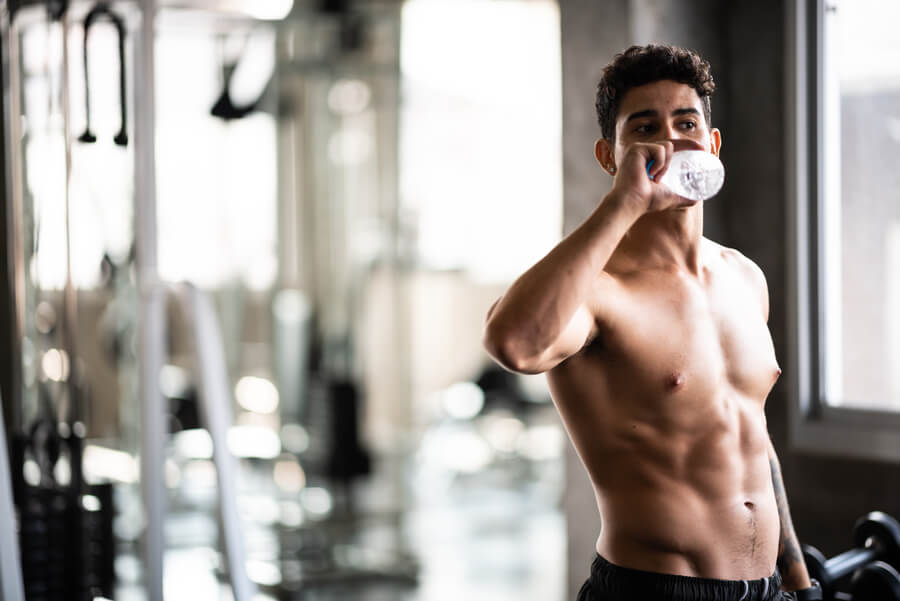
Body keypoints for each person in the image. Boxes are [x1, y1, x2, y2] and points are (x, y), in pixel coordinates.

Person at [482, 45, 822, 601]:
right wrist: (626, 202)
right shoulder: (597, 291)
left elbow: (750, 435)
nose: (669, 141)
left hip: (768, 591)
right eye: (645, 128)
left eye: (686, 123)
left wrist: (798, 582)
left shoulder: (744, 278)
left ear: (711, 145)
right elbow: (514, 343)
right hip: (654, 589)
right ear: (609, 157)